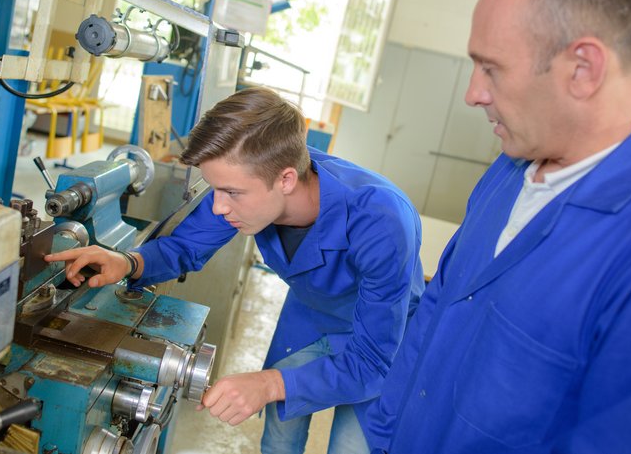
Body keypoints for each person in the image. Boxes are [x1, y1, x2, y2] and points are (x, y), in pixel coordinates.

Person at [363, 0, 631, 453]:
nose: (473, 93)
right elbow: (438, 305)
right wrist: (385, 437)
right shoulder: (512, 166)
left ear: (583, 69)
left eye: (491, 67)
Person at [45, 86, 425, 454]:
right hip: (312, 315)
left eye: (231, 193)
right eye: (216, 190)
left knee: (351, 445)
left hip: (385, 336)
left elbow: (371, 359)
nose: (218, 208)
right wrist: (128, 262)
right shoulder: (255, 175)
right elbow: (185, 245)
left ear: (286, 179)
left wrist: (270, 383)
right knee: (279, 435)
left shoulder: (382, 221)